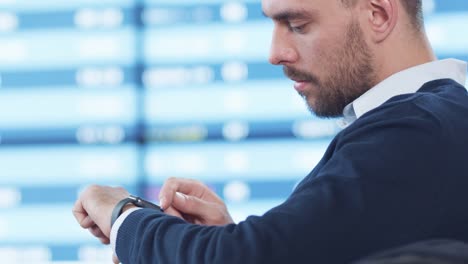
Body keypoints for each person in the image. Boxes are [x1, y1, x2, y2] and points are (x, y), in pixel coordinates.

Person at [73, 0, 468, 263]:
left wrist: (122, 213)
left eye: (297, 25)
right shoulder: (437, 122)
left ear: (378, 15)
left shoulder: (417, 129)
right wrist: (237, 235)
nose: (276, 53)